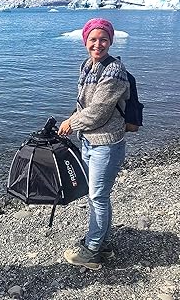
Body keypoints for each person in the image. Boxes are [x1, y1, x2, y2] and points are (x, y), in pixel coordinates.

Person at [58, 18, 129, 271]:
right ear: (85, 41)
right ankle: (101, 243)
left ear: (110, 40)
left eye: (103, 39)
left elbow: (99, 110)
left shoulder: (114, 70)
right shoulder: (87, 65)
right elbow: (83, 104)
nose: (98, 44)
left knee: (98, 196)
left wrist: (70, 124)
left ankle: (93, 251)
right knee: (97, 195)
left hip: (107, 144)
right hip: (89, 141)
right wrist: (72, 120)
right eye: (93, 39)